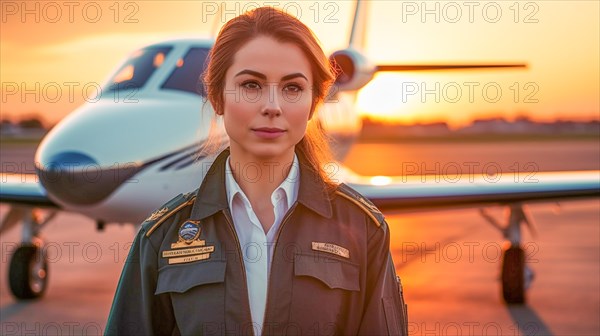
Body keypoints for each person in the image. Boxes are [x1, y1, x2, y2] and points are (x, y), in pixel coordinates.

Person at [105, 6, 408, 336]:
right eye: (251, 85)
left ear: (313, 105)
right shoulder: (160, 236)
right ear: (217, 97)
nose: (273, 106)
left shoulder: (364, 229)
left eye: (293, 88)